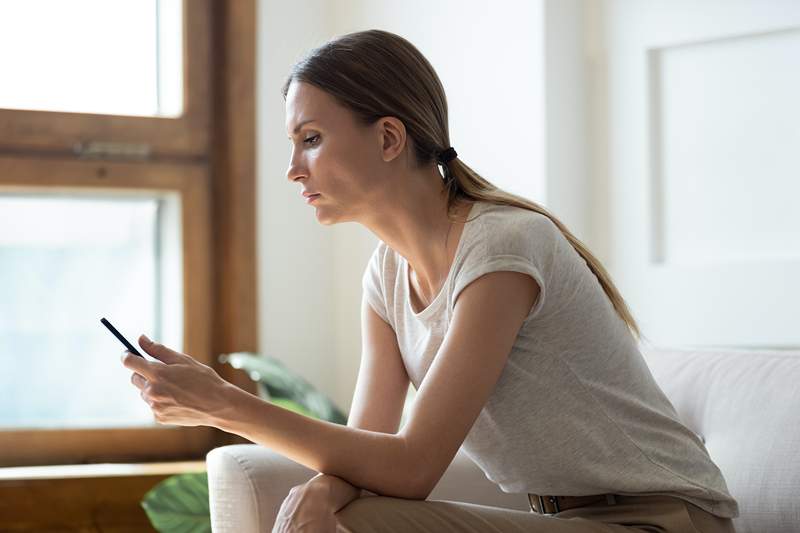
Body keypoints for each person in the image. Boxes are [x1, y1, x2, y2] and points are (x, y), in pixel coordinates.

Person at [121, 29, 739, 532]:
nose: (292, 169)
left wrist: (226, 406)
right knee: (341, 511)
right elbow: (367, 443)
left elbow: (414, 466)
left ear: (389, 137)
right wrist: (325, 486)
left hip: (666, 521)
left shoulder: (503, 245)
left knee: (362, 521)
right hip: (561, 520)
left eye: (310, 139)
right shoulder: (385, 276)